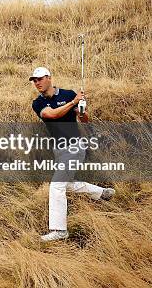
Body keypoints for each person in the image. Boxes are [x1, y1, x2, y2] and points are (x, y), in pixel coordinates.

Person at [29, 66, 115, 242]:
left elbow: (84, 119)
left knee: (56, 186)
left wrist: (81, 109)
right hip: (59, 150)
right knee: (67, 184)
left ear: (49, 78)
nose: (37, 83)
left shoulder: (68, 94)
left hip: (75, 147)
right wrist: (73, 103)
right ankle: (102, 193)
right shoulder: (38, 103)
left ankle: (60, 230)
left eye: (39, 79)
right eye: (34, 80)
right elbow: (52, 115)